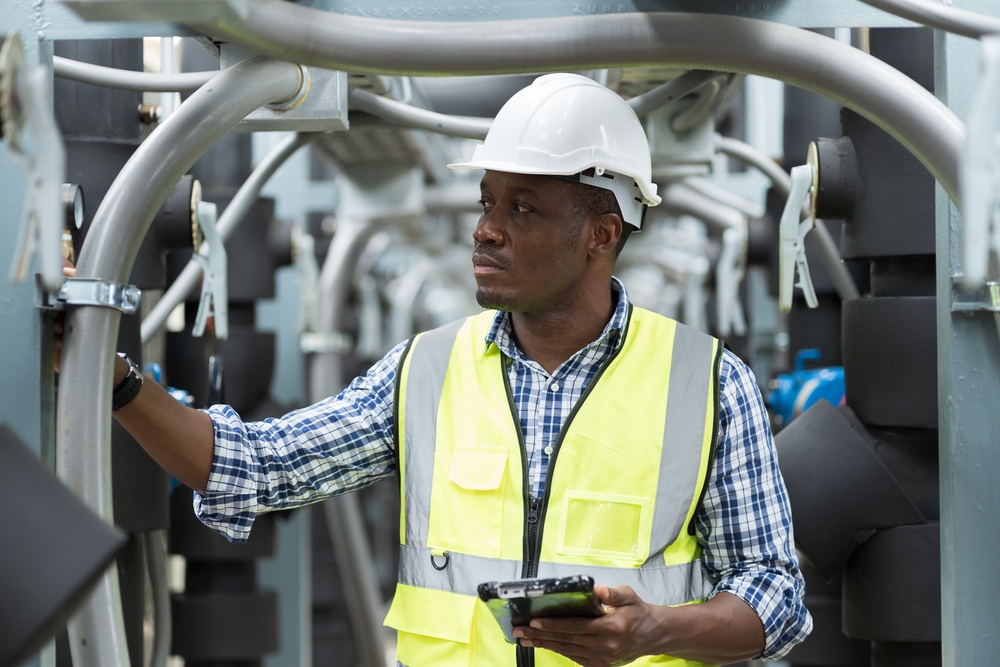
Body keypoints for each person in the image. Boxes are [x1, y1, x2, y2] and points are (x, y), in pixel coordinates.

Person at [76, 74, 811, 666]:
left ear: (601, 232)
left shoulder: (710, 384)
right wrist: (113, 379)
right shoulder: (425, 371)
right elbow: (256, 466)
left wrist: (657, 630)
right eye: (488, 200)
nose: (485, 227)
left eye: (523, 208)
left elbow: (775, 595)